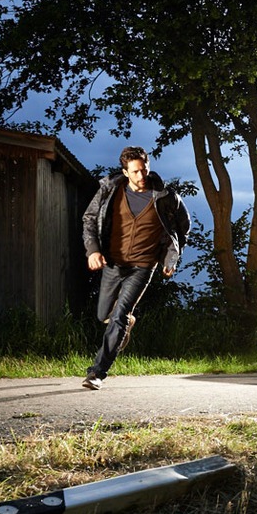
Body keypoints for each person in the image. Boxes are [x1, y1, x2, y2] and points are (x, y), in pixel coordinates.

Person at [80, 146, 189, 390]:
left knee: (118, 315)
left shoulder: (165, 196)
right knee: (103, 315)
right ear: (125, 172)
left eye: (145, 170)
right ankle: (126, 324)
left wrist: (170, 259)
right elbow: (89, 219)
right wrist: (93, 250)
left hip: (143, 265)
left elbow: (182, 229)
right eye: (136, 172)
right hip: (113, 263)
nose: (142, 176)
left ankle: (97, 372)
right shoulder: (110, 191)